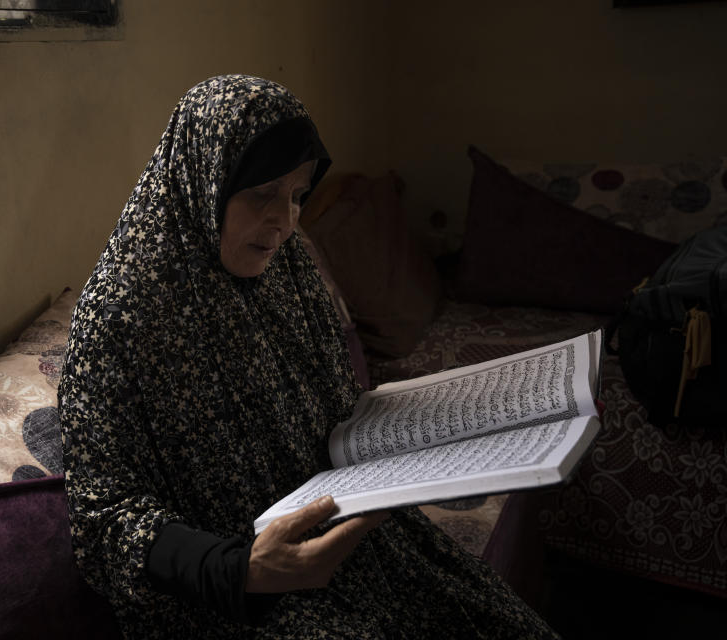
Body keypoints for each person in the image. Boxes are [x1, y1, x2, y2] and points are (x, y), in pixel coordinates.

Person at [60, 74, 559, 639]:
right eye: (261, 192)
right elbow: (102, 520)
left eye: (298, 196)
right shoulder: (121, 314)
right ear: (203, 179)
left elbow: (336, 404)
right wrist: (240, 569)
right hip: (230, 590)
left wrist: (423, 436)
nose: (285, 221)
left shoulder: (286, 267)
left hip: (345, 537)